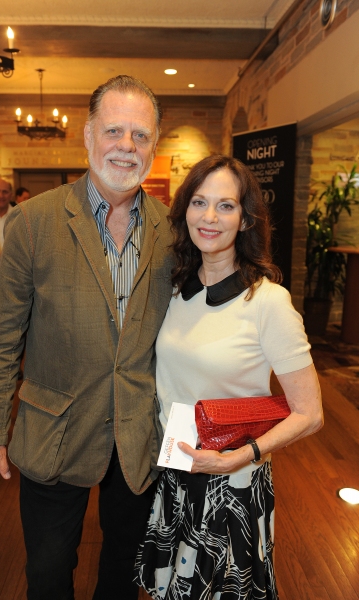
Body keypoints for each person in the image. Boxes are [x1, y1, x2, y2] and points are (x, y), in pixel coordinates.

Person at [0, 75, 174, 600]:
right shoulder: (34, 221)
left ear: (155, 143)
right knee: (48, 570)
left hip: (137, 435)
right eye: (114, 131)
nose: (127, 146)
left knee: (124, 569)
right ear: (86, 137)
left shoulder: (173, 230)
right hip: (54, 431)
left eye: (140, 135)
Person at [135, 155, 324, 600]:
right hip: (177, 469)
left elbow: (310, 414)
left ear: (245, 219)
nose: (209, 217)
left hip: (231, 482)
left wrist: (239, 458)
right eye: (199, 202)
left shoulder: (268, 302)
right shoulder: (177, 287)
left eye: (226, 205)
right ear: (184, 211)